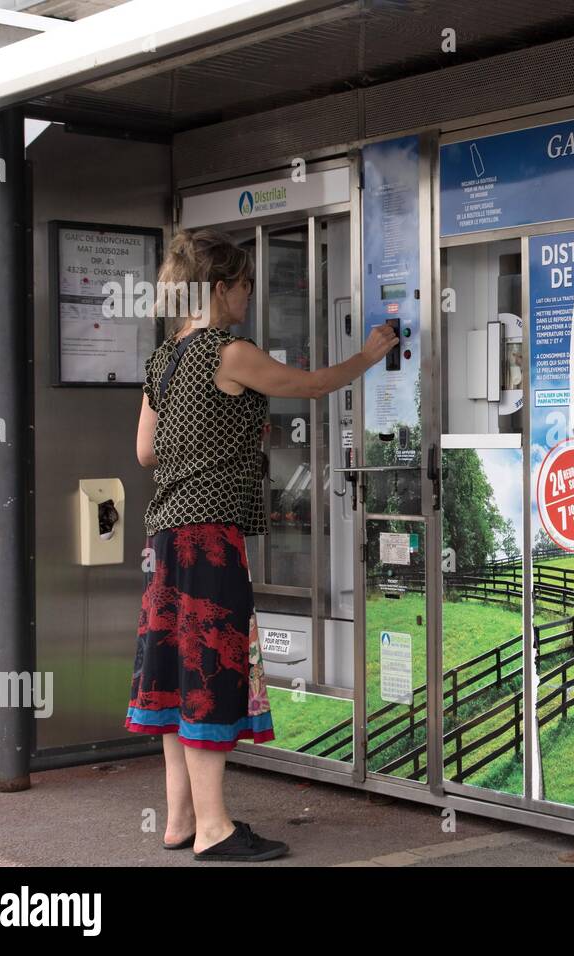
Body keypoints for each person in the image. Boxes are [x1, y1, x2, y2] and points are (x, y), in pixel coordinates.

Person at [126, 227, 398, 862]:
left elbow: (144, 450)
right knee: (211, 674)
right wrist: (369, 355)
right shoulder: (228, 351)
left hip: (166, 538)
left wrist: (187, 457)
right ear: (220, 288)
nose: (250, 295)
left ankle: (180, 822)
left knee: (171, 675)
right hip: (211, 540)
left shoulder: (164, 358)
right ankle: (217, 830)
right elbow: (305, 386)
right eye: (246, 284)